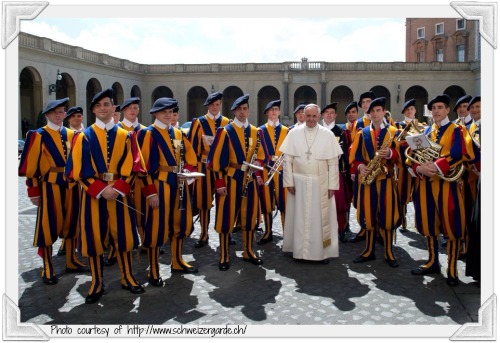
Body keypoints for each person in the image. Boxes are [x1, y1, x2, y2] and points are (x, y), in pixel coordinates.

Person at [66, 88, 145, 303]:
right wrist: (101, 189)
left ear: (113, 108)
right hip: (94, 198)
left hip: (120, 195)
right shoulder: (83, 137)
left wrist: (118, 188)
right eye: (98, 105)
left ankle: (127, 276)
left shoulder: (127, 135)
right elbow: (77, 171)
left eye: (107, 104)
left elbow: (134, 166)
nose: (103, 108)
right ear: (93, 110)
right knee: (94, 240)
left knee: (125, 238)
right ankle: (96, 281)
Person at [19, 97, 88, 286]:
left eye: (61, 112)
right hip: (50, 186)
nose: (59, 116)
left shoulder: (72, 134)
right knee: (48, 225)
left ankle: (71, 260)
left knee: (72, 223)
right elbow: (31, 165)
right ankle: (47, 265)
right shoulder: (38, 135)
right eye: (55, 113)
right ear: (48, 115)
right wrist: (33, 190)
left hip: (72, 186)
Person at [407, 94, 474, 287]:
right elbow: (412, 156)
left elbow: (460, 153)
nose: (436, 111)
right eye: (433, 108)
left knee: (451, 225)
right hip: (425, 185)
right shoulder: (427, 130)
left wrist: (436, 167)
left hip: (447, 185)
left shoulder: (457, 129)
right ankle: (432, 261)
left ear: (447, 110)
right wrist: (418, 168)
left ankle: (452, 267)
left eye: (440, 107)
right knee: (429, 225)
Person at [138, 97, 199, 286]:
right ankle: (154, 268)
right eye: (164, 111)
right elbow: (142, 167)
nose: (168, 114)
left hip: (179, 184)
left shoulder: (179, 134)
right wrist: (150, 191)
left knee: (179, 224)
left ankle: (177, 260)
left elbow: (190, 157)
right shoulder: (147, 134)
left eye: (171, 111)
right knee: (156, 227)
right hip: (159, 185)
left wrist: (188, 171)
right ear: (155, 113)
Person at [207, 94, 266, 271]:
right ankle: (224, 253)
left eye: (245, 108)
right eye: (239, 109)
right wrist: (219, 183)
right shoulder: (225, 131)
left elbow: (261, 155)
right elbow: (215, 160)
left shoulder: (256, 132)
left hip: (250, 180)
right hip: (231, 179)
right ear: (233, 111)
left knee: (249, 217)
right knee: (226, 217)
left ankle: (248, 250)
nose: (242, 112)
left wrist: (258, 164)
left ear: (248, 110)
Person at [279, 103, 342, 262]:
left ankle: (321, 253)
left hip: (320, 183)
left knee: (319, 220)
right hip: (298, 182)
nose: (311, 119)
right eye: (308, 116)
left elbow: (333, 162)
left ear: (319, 116)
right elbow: (287, 160)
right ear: (303, 116)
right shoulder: (294, 133)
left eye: (314, 116)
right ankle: (298, 252)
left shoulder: (327, 135)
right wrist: (288, 181)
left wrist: (332, 185)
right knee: (298, 218)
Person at [349, 97, 401, 268]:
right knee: (369, 216)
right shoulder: (361, 133)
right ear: (369, 114)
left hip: (386, 180)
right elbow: (355, 158)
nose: (376, 114)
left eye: (379, 110)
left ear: (384, 112)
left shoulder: (394, 131)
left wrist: (391, 154)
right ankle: (369, 250)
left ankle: (388, 251)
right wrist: (360, 166)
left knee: (387, 216)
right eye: (373, 111)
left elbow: (402, 157)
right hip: (368, 181)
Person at [188, 91, 231, 248]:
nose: (214, 107)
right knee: (203, 202)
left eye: (217, 104)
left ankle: (226, 232)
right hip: (204, 167)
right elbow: (192, 147)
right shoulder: (199, 122)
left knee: (224, 201)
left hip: (222, 168)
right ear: (207, 106)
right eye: (212, 105)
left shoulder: (227, 122)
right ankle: (204, 233)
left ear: (220, 105)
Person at [320, 102, 353, 242]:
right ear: (322, 115)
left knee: (338, 205)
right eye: (326, 112)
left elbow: (346, 154)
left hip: (337, 173)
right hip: (319, 174)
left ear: (336, 115)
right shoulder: (316, 130)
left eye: (332, 112)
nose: (329, 115)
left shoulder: (342, 132)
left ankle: (340, 229)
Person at [257, 99, 289, 244]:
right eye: (271, 109)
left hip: (282, 170)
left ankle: (286, 232)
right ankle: (268, 231)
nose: (274, 112)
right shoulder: (260, 131)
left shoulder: (286, 130)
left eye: (276, 109)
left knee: (284, 202)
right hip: (265, 170)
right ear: (267, 113)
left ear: (280, 112)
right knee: (266, 201)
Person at [57, 105, 86, 257]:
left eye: (79, 116)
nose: (77, 118)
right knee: (68, 212)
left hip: (83, 179)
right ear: (69, 119)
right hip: (69, 179)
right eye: (74, 116)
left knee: (81, 212)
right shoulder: (66, 135)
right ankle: (66, 243)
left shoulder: (87, 134)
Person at [349, 91, 375, 243]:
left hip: (381, 169)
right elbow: (354, 147)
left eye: (369, 101)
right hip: (363, 168)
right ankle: (363, 229)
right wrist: (355, 169)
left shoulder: (386, 121)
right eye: (364, 102)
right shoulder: (358, 123)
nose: (366, 104)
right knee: (362, 200)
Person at [393, 99, 422, 234]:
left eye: (412, 109)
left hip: (419, 166)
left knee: (418, 194)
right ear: (404, 112)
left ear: (415, 111)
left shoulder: (421, 126)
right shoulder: (399, 127)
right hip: (404, 167)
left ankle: (419, 222)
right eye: (407, 110)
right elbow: (397, 145)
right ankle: (402, 219)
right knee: (402, 193)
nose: (410, 111)